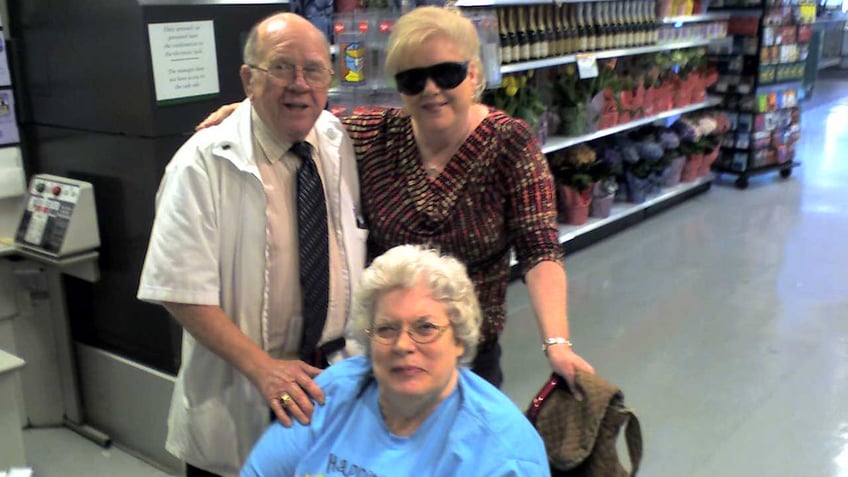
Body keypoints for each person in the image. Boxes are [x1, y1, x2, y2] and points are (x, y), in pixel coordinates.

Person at [198, 6, 593, 392]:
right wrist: (251, 109)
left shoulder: (510, 144)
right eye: (413, 80)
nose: (431, 90)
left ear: (473, 74)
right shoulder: (374, 135)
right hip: (386, 353)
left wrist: (557, 344)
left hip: (467, 357)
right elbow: (306, 114)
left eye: (446, 73)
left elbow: (539, 249)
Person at [137, 12, 365, 477]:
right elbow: (179, 288)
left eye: (314, 69)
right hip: (243, 388)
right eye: (281, 68)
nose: (300, 84)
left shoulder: (336, 138)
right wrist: (263, 368)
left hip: (329, 382)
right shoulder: (201, 164)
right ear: (248, 78)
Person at [241, 244, 551, 476]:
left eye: (425, 328)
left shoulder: (504, 454)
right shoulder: (332, 392)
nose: (403, 345)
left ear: (458, 339)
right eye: (386, 329)